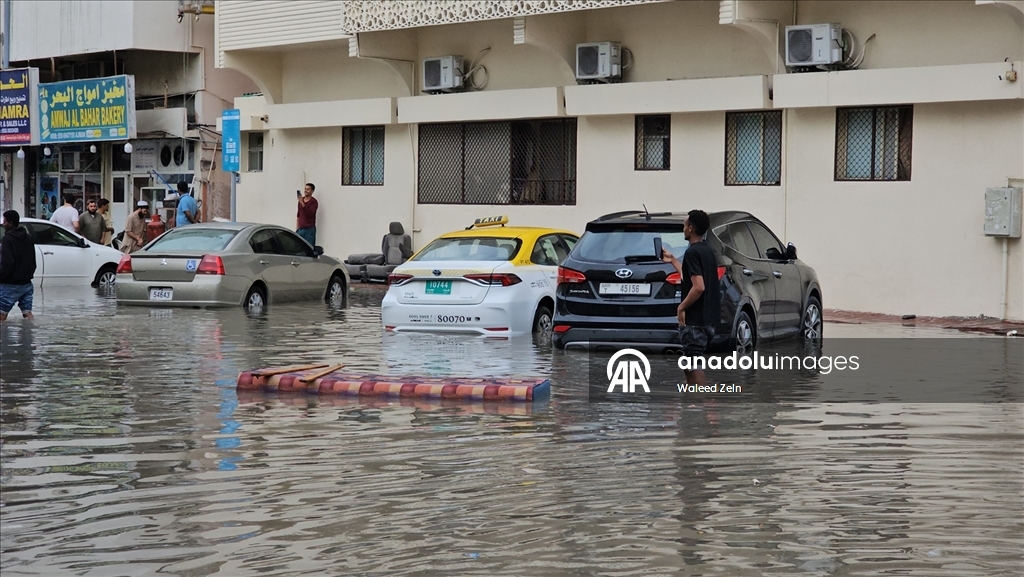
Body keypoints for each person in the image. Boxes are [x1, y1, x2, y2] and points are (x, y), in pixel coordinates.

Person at [662, 209, 721, 387]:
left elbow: (699, 286)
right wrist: (673, 260)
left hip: (695, 321)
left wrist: (681, 307)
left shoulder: (692, 253)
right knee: (689, 364)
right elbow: (690, 277)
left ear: (691, 228)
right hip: (708, 319)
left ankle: (704, 404)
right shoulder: (707, 251)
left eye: (685, 224)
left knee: (694, 364)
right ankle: (692, 405)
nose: (683, 227)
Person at [0, 210, 36, 322]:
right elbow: (32, 259)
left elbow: (7, 262)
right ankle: (29, 337)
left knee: (1, 314)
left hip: (10, 284)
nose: (3, 224)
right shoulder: (28, 237)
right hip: (27, 283)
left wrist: (1, 277)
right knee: (27, 314)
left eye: (4, 221)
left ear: (10, 223)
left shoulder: (7, 239)